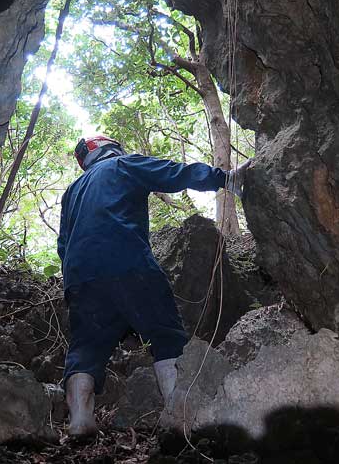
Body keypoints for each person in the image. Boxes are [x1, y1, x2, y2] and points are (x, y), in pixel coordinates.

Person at [57, 134, 250, 437]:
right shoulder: (122, 165)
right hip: (127, 262)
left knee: (87, 347)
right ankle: (178, 417)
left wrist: (74, 280)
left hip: (80, 277)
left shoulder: (72, 192)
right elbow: (173, 174)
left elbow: (63, 244)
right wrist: (224, 178)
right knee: (165, 332)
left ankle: (80, 418)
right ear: (111, 147)